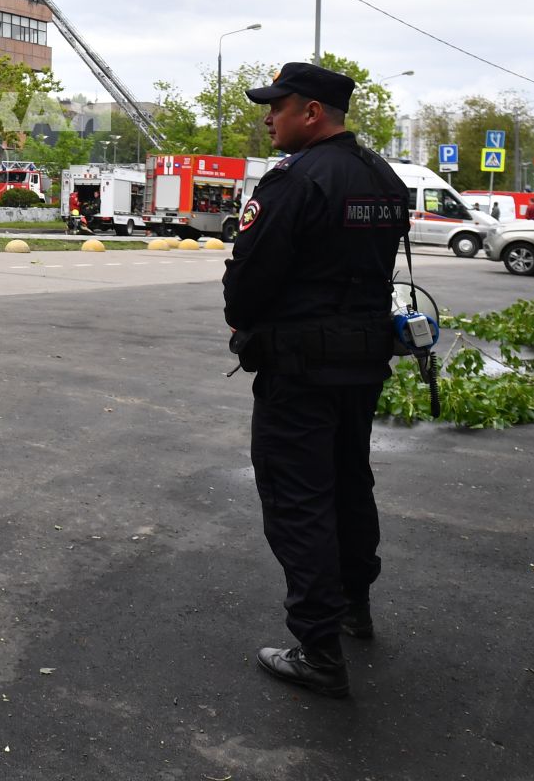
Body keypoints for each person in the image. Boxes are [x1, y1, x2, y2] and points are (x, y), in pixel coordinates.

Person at [222, 62, 409, 700]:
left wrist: (244, 320)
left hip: (298, 367)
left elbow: (250, 280)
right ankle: (355, 605)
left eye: (278, 106)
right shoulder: (383, 176)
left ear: (312, 113)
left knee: (299, 497)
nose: (267, 117)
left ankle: (318, 649)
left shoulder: (295, 182)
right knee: (350, 482)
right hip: (363, 362)